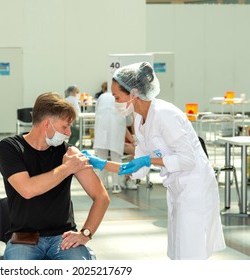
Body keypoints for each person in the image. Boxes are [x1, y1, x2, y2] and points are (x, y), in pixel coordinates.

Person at [83, 61, 226, 260]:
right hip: (178, 188)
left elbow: (187, 159)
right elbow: (135, 169)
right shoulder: (141, 121)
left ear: (133, 93)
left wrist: (148, 160)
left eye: (117, 97)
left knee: (191, 253)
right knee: (178, 251)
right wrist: (99, 163)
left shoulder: (165, 114)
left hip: (195, 187)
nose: (115, 102)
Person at [0, 92, 110, 260]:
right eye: (65, 127)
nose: (69, 133)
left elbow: (101, 197)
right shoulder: (10, 147)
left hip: (62, 237)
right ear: (47, 124)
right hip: (24, 238)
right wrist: (67, 168)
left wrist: (85, 234)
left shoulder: (69, 153)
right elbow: (28, 189)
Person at [93, 91, 137, 193]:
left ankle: (102, 184)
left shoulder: (102, 97)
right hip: (116, 130)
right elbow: (129, 121)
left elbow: (96, 113)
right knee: (116, 158)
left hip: (101, 129)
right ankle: (116, 185)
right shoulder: (123, 97)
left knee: (101, 158)